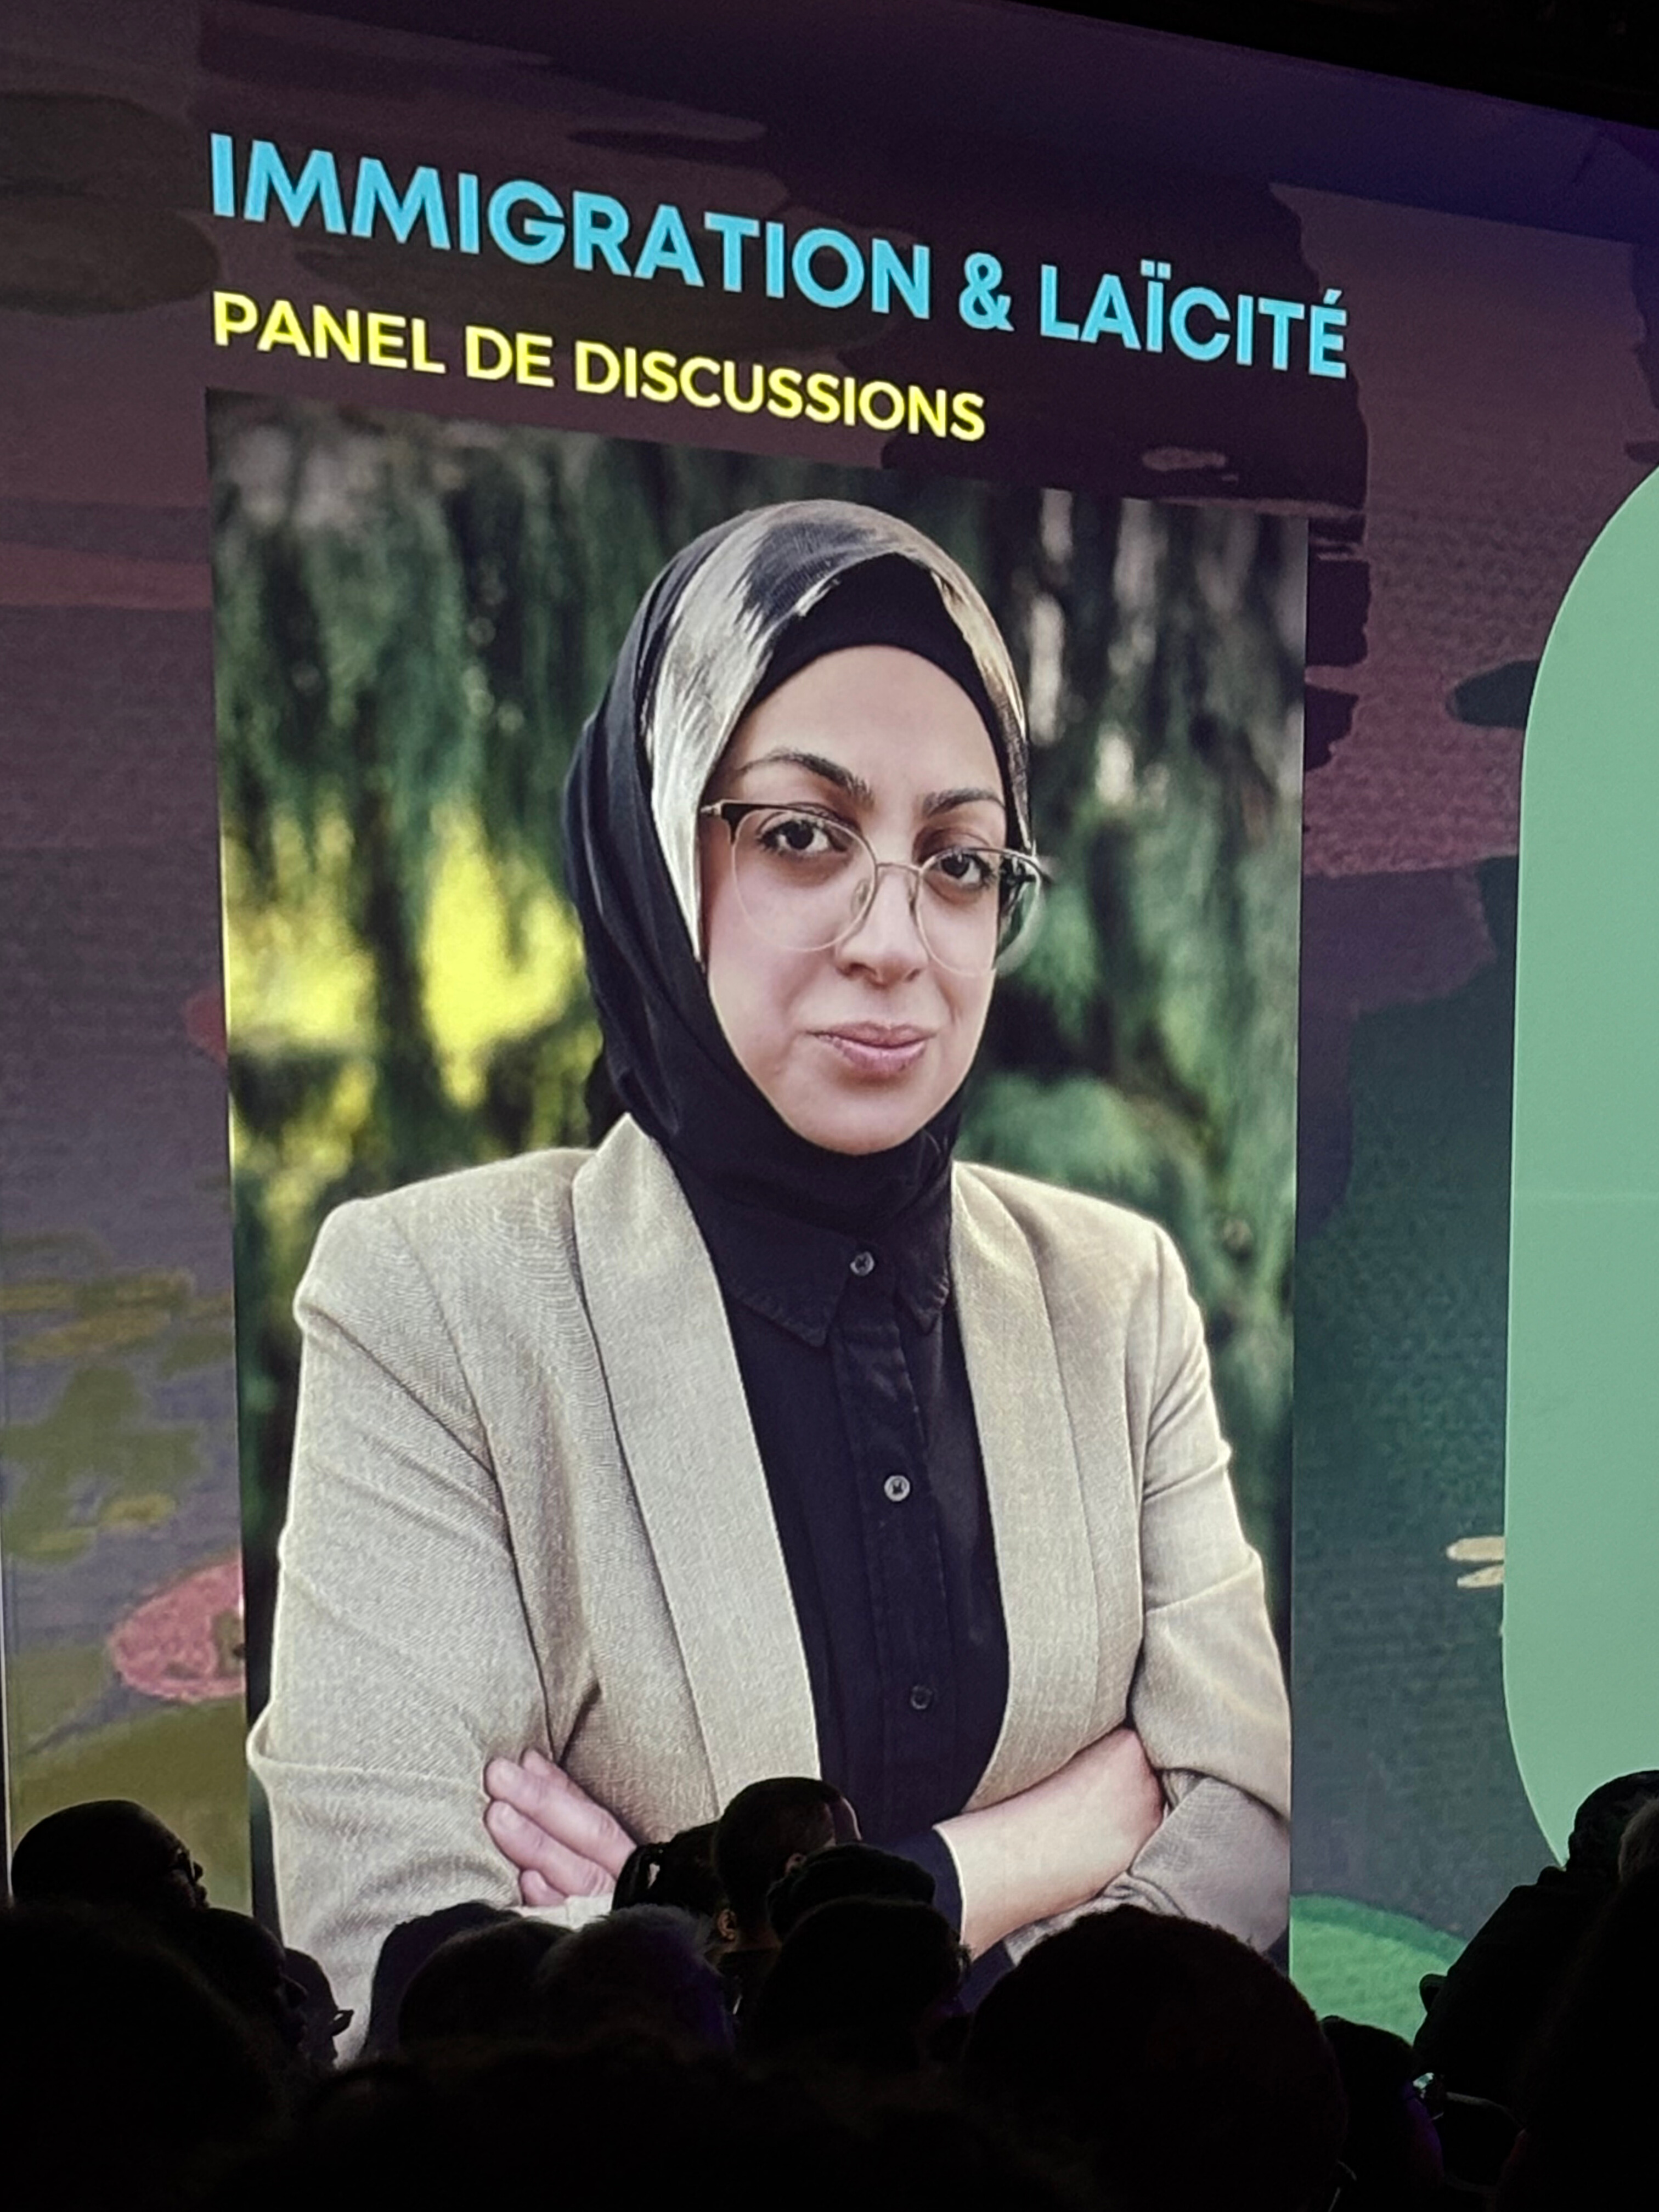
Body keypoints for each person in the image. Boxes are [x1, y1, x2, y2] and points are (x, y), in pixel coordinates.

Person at [249, 499, 1290, 2042]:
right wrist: (1014, 1860)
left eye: (959, 860)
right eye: (804, 834)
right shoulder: (436, 1303)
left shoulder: (1113, 1293)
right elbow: (398, 1966)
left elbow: (1250, 1827)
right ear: (658, 843)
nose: (896, 940)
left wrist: (664, 1925)